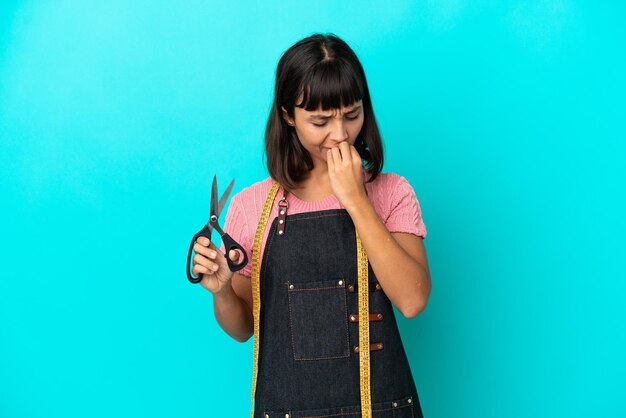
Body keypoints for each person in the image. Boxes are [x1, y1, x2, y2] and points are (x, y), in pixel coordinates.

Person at [191, 33, 431, 418]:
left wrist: (355, 200)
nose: (340, 134)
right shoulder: (252, 205)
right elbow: (243, 329)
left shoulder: (390, 192)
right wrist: (221, 291)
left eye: (352, 114)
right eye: (320, 121)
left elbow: (413, 300)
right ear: (288, 115)